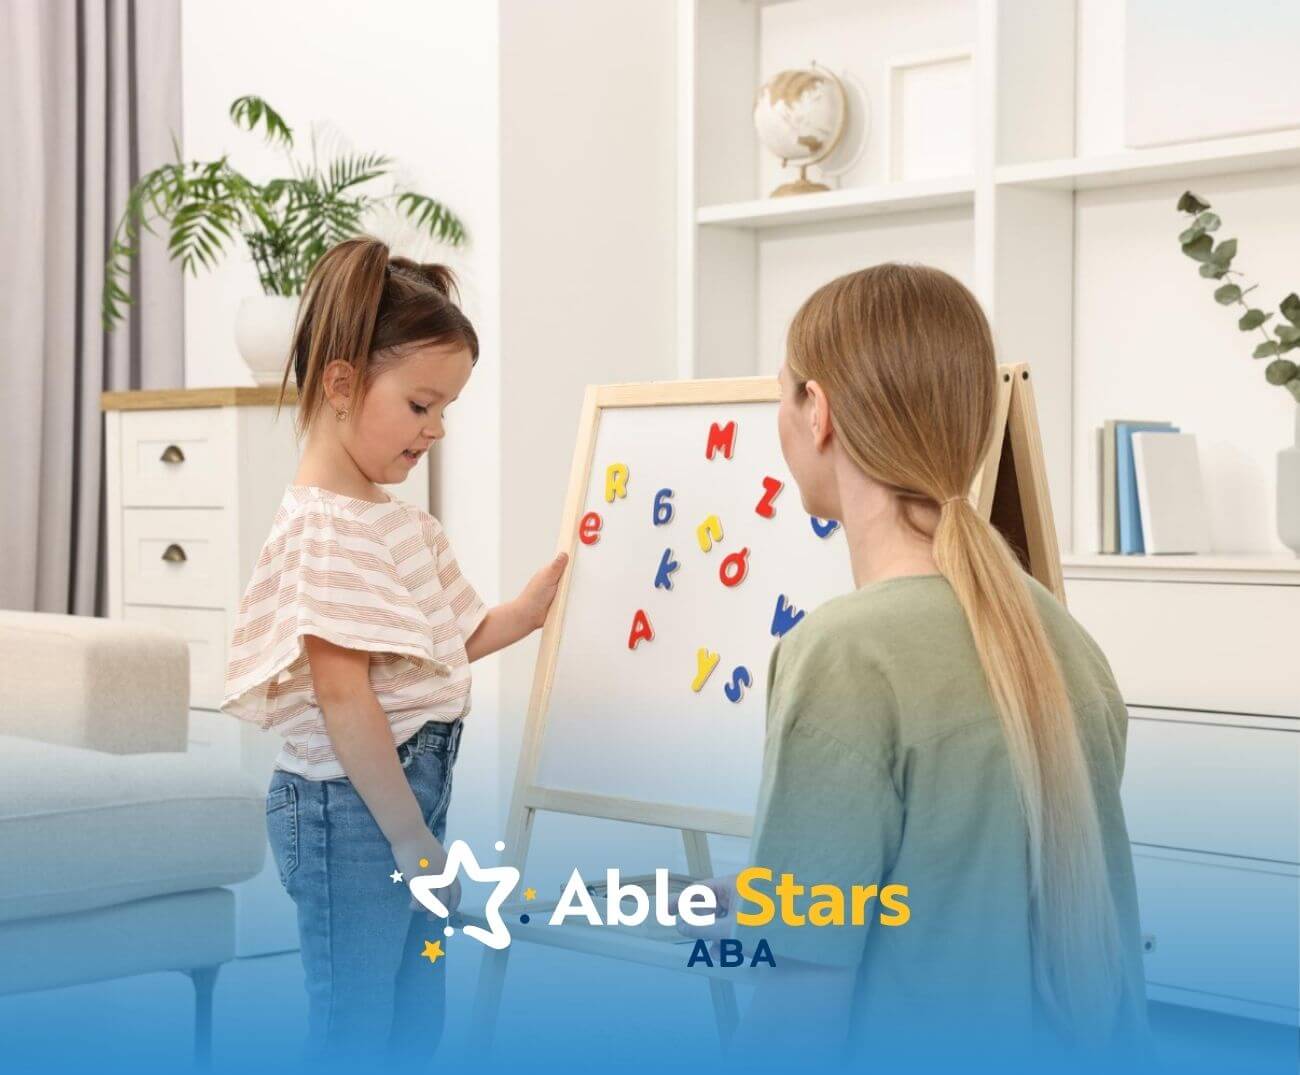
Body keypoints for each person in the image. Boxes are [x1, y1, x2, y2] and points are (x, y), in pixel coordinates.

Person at [685, 264, 1152, 1072]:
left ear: (817, 411)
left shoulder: (844, 655)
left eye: (783, 395)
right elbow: (962, 892)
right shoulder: (1062, 640)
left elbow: (799, 1009)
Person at [221, 237, 566, 1068]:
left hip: (404, 800)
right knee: (356, 1017)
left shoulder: (398, 522)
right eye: (420, 406)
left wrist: (521, 615)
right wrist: (414, 844)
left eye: (444, 409)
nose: (436, 429)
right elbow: (347, 703)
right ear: (341, 384)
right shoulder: (325, 532)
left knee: (415, 1007)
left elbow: (439, 651)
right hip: (353, 815)